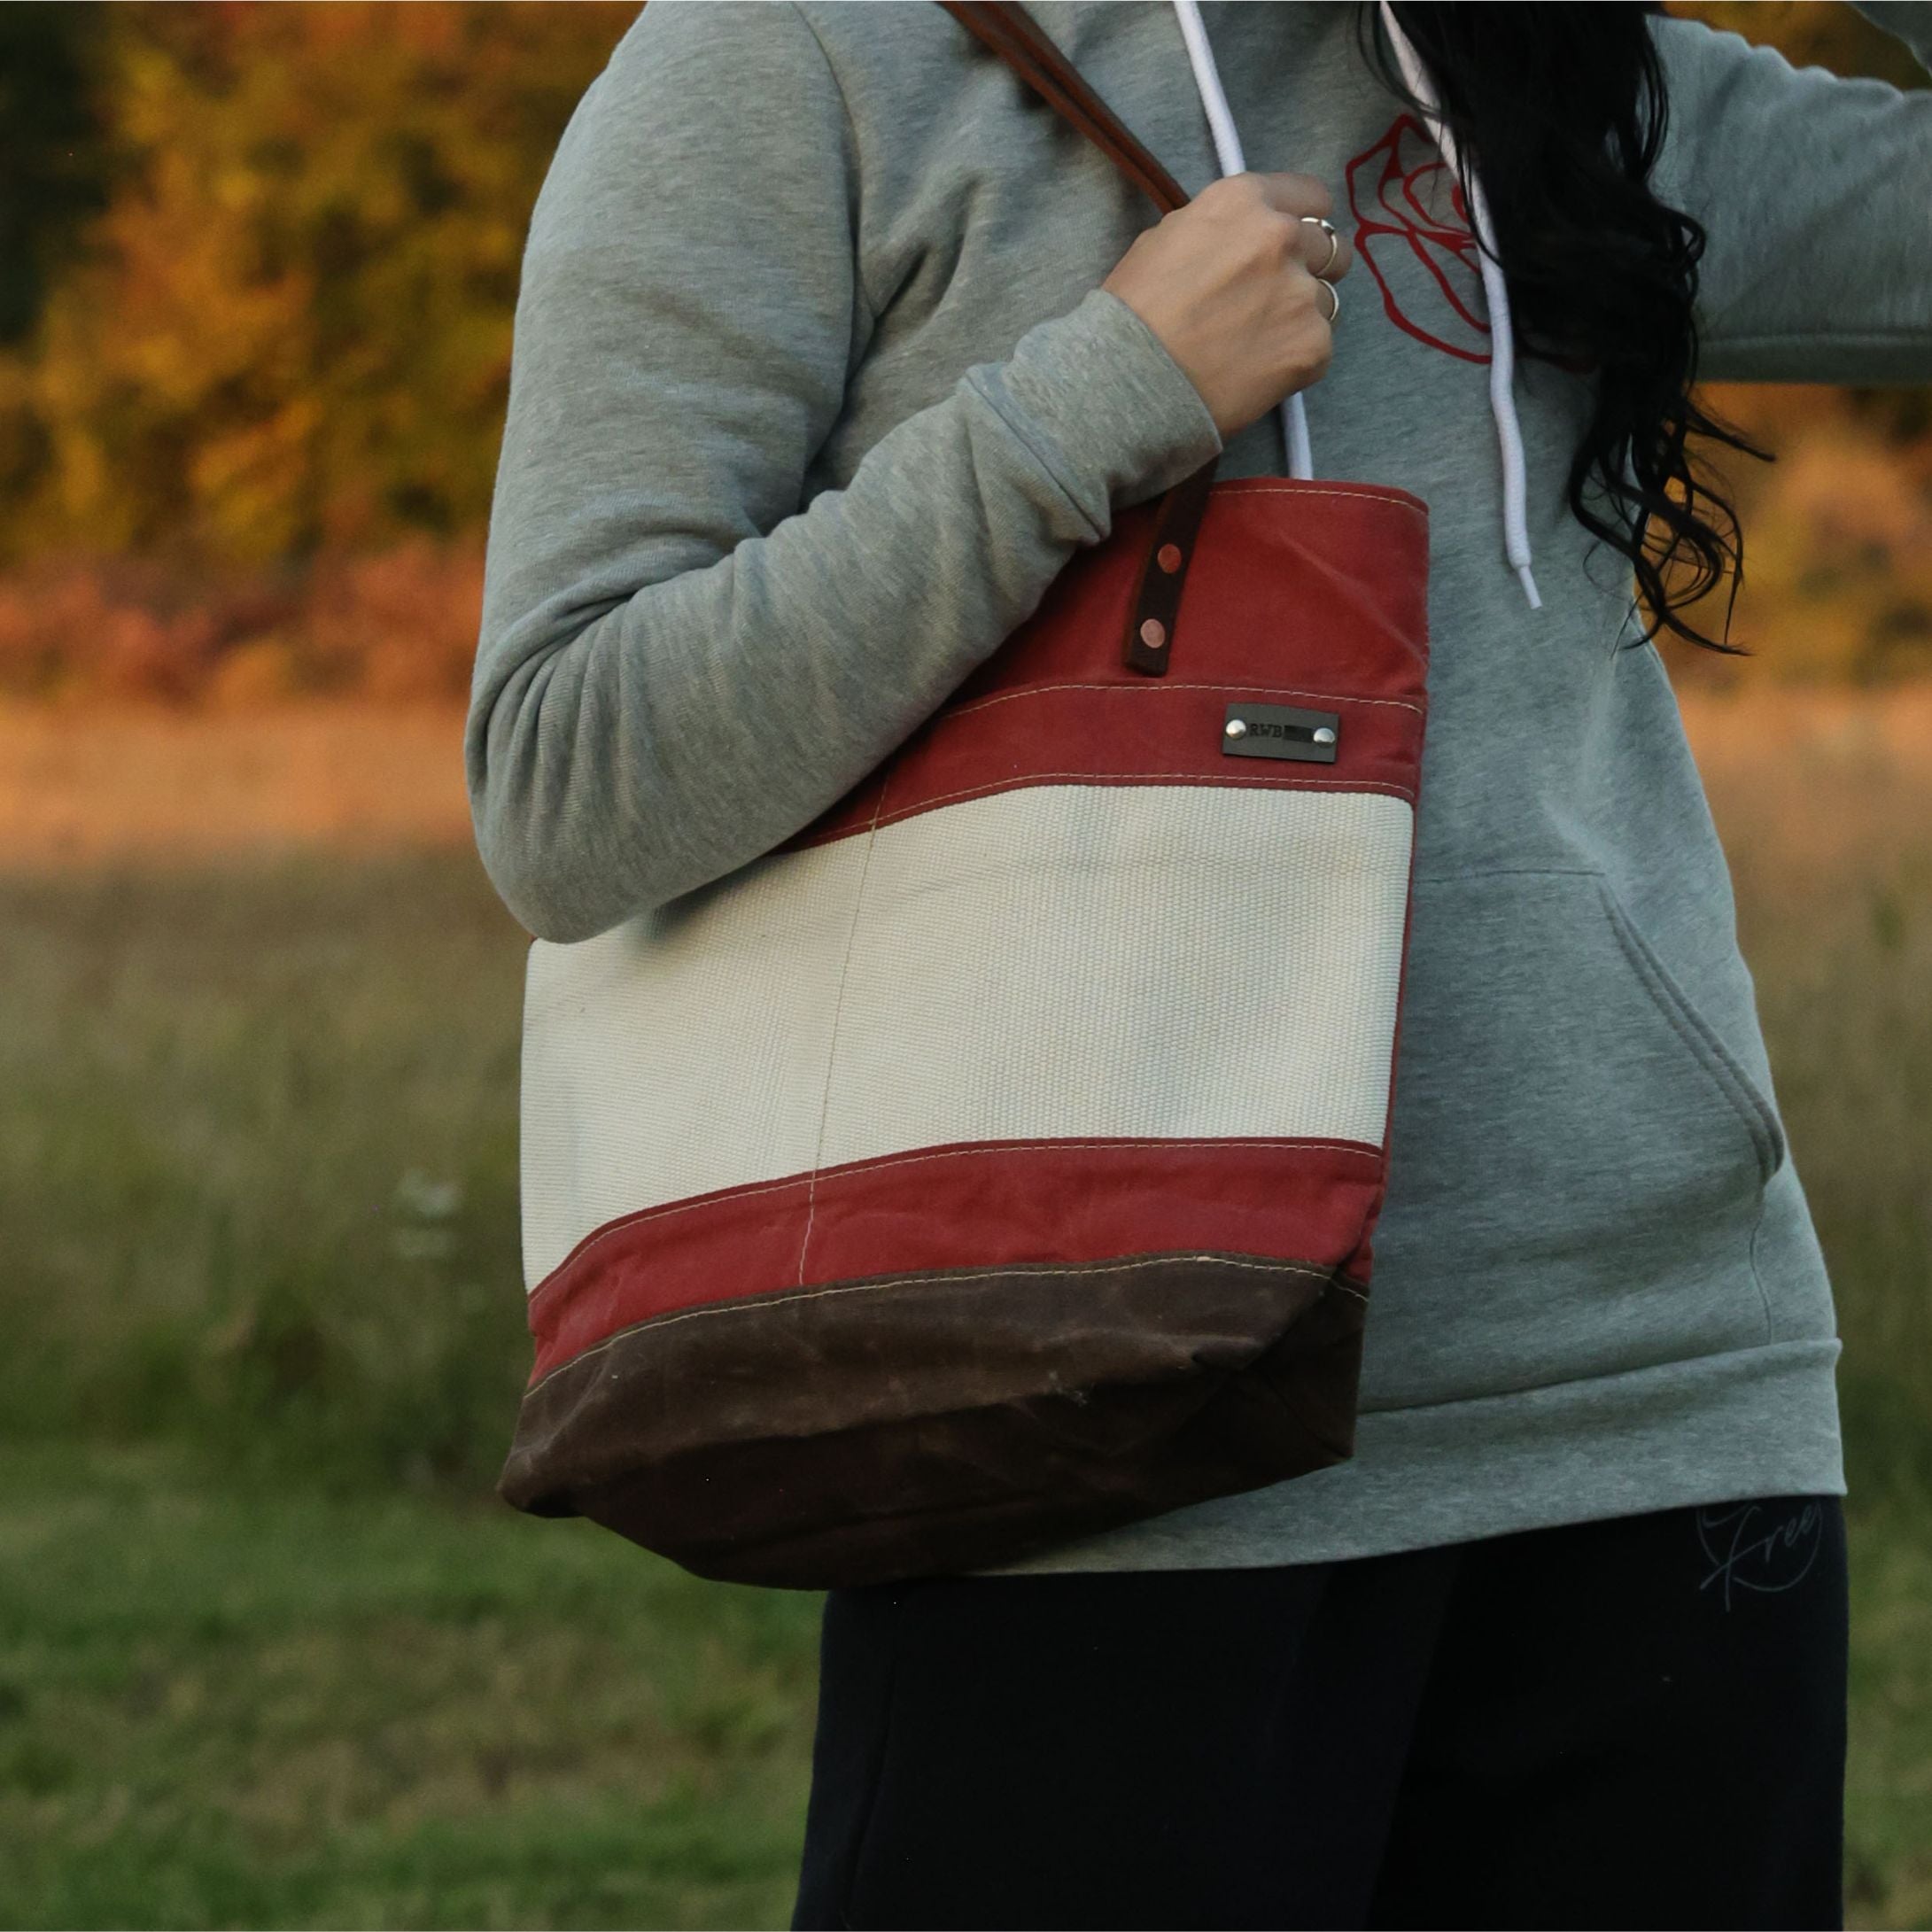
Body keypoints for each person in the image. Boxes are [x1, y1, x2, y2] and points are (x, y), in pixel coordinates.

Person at [466, 2, 1932, 1924]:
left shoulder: (1543, 65)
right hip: (1082, 1427)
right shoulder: (786, 60)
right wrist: (1094, 401)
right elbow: (566, 777)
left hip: (1656, 1408)